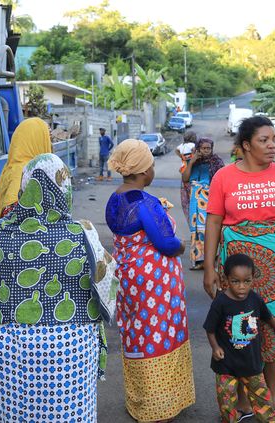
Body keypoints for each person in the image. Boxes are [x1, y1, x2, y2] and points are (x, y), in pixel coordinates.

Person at [0, 153, 115, 422]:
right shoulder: (83, 233)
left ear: (25, 187)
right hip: (69, 348)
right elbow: (107, 285)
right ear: (63, 188)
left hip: (8, 347)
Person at [203, 116, 275, 423]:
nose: (272, 145)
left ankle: (269, 400)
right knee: (239, 332)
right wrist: (209, 267)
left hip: (274, 269)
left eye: (274, 139)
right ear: (246, 146)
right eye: (264, 140)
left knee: (272, 332)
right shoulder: (224, 177)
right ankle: (242, 401)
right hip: (235, 271)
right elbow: (213, 223)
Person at [105, 139, 195, 423]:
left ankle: (139, 399)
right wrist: (182, 246)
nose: (154, 169)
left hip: (129, 278)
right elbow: (165, 243)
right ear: (144, 171)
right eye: (153, 165)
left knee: (136, 334)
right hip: (153, 284)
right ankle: (159, 407)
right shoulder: (143, 203)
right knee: (159, 335)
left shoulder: (114, 199)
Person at [204, 254, 275, 423]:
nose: (241, 287)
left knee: (261, 396)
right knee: (226, 399)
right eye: (235, 281)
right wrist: (215, 347)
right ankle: (230, 419)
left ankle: (270, 420)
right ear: (226, 279)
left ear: (253, 278)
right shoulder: (220, 302)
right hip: (226, 364)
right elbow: (209, 328)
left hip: (251, 363)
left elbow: (267, 316)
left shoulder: (255, 299)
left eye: (246, 281)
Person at [0, 117, 53, 218]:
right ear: (36, 140)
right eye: (47, 139)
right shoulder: (24, 170)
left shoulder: (15, 166)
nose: (50, 144)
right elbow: (11, 215)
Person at [181, 138, 225, 270]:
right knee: (196, 228)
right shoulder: (192, 161)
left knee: (210, 228)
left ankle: (212, 259)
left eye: (208, 148)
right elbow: (185, 178)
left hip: (210, 197)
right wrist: (192, 161)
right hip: (195, 198)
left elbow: (221, 181)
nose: (206, 151)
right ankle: (199, 260)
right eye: (203, 148)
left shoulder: (217, 162)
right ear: (198, 148)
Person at [175, 130, 197, 219]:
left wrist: (181, 156)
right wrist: (193, 154)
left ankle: (187, 197)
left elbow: (176, 150)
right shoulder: (192, 145)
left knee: (185, 183)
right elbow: (194, 150)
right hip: (190, 166)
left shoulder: (182, 146)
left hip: (183, 166)